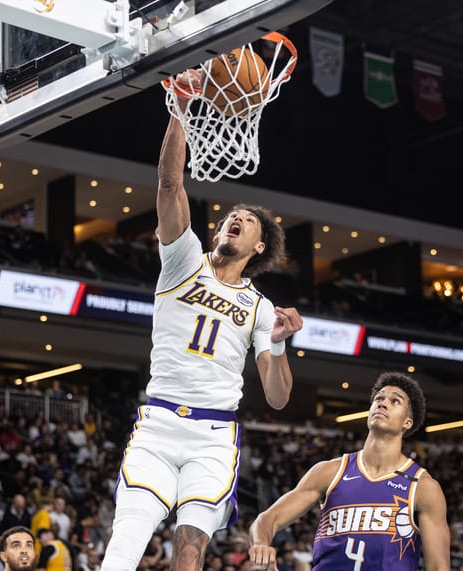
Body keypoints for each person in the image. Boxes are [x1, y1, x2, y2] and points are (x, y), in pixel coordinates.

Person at [100, 71, 303, 571]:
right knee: (126, 539)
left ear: (258, 246)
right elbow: (170, 184)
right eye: (230, 215)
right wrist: (179, 109)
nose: (234, 218)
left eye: (247, 220)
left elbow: (277, 398)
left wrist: (277, 347)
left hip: (214, 435)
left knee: (189, 553)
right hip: (160, 420)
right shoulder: (183, 259)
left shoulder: (260, 307)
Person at [247, 372, 450, 570]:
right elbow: (266, 520)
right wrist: (261, 544)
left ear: (407, 422)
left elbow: (439, 566)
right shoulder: (330, 472)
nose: (383, 402)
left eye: (395, 401)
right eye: (379, 398)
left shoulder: (422, 487)